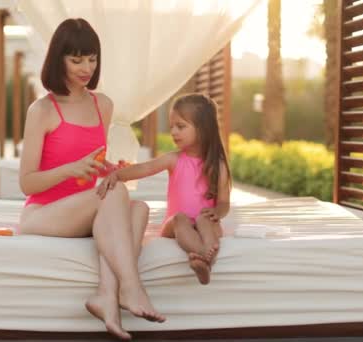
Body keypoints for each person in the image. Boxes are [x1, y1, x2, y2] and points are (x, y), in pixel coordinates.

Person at [18, 18, 165, 340]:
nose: (86, 67)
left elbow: (92, 162)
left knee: (138, 207)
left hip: (85, 208)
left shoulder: (103, 105)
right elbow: (27, 183)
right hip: (44, 213)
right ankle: (131, 286)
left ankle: (105, 297)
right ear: (58, 60)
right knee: (116, 197)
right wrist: (70, 170)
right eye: (76, 59)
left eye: (92, 58)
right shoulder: (42, 110)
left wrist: (111, 169)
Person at [98, 93, 232, 285]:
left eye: (181, 126)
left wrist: (216, 212)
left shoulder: (217, 166)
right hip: (175, 225)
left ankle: (203, 261)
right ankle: (203, 255)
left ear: (203, 129)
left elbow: (224, 203)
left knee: (204, 219)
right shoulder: (174, 159)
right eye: (172, 127)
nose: (174, 132)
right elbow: (145, 168)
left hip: (205, 222)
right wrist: (118, 174)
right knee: (180, 218)